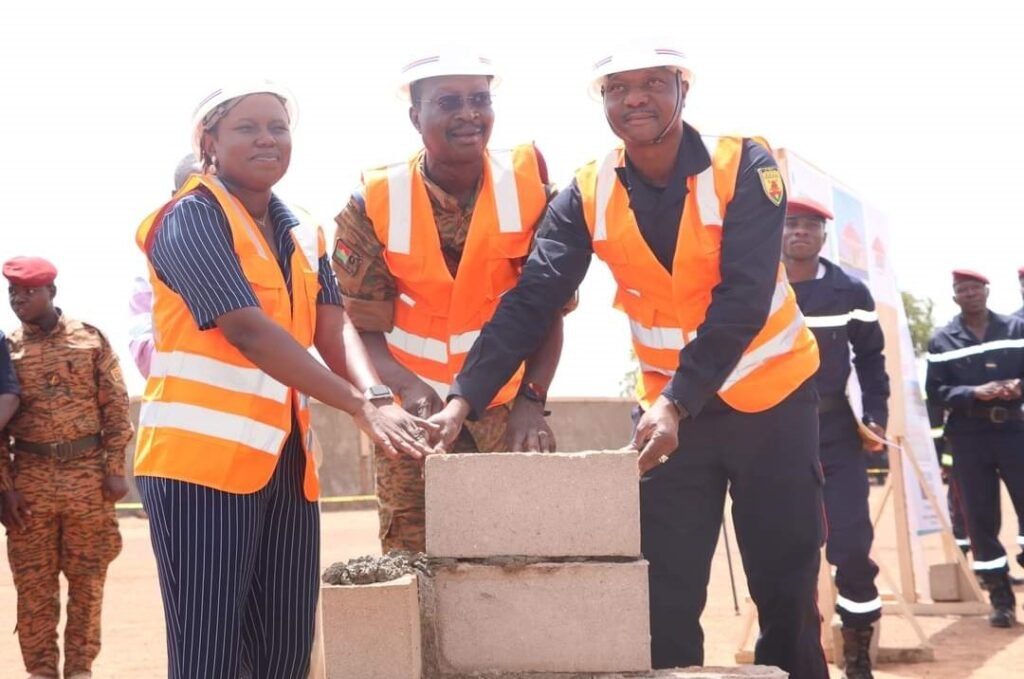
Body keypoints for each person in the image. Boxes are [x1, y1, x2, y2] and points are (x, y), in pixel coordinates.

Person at [430, 41, 828, 678]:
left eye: (650, 83)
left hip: (770, 402)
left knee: (785, 587)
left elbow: (743, 299)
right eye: (616, 87)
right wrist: (464, 398)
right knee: (663, 593)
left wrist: (676, 400)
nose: (633, 98)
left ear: (682, 88)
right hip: (671, 419)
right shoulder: (587, 191)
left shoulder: (744, 164)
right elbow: (533, 298)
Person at [134, 81, 437, 679]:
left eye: (278, 126)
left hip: (284, 467)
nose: (267, 138)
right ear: (209, 142)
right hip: (199, 470)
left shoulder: (302, 233)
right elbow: (246, 330)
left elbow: (333, 324)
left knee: (285, 649)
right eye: (247, 127)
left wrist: (377, 393)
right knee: (209, 654)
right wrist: (357, 404)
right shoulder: (187, 219)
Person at [331, 48, 567, 553]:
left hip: (505, 408)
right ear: (416, 115)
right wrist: (405, 391)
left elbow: (547, 309)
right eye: (448, 102)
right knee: (411, 562)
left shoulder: (530, 189)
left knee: (518, 557)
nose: (468, 114)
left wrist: (532, 400)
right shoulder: (373, 200)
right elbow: (359, 325)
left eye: (479, 99)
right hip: (413, 416)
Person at [1, 256, 132, 679]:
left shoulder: (90, 340)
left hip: (88, 479)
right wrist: (4, 487)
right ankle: (41, 672)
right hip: (31, 482)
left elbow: (116, 407)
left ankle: (80, 670)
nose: (19, 299)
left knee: (88, 584)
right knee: (34, 591)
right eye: (13, 293)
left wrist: (115, 468)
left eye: (29, 292)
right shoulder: (8, 351)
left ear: (51, 293)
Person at [782, 197, 889, 678]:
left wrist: (877, 418)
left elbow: (870, 358)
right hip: (774, 435)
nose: (799, 233)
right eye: (790, 225)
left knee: (850, 546)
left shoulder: (850, 291)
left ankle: (858, 652)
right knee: (785, 549)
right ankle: (795, 655)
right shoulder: (757, 284)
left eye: (809, 226)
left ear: (825, 236)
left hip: (837, 435)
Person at [925, 269, 1024, 628]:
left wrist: (1018, 386)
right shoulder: (942, 340)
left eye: (975, 288)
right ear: (955, 297)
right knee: (981, 520)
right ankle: (1000, 599)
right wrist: (972, 393)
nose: (970, 294)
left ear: (987, 290)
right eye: (962, 290)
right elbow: (934, 392)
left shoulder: (1015, 329)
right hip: (968, 437)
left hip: (1014, 430)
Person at [128, 153, 203, 378]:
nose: (209, 204)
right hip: (186, 405)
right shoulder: (149, 276)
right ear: (174, 197)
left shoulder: (266, 255)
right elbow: (144, 355)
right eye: (196, 192)